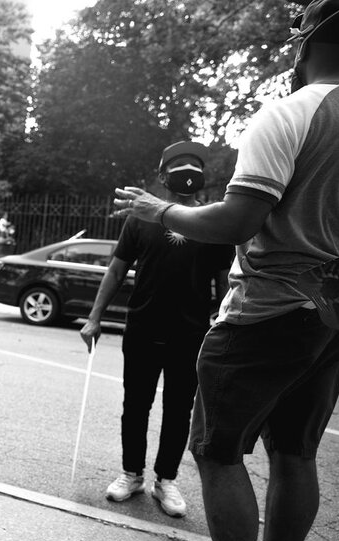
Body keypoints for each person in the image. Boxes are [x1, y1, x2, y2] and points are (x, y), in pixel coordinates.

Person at [112, 3, 339, 541]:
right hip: (330, 319)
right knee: (295, 453)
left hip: (267, 312)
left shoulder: (291, 113)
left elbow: (239, 219)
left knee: (216, 452)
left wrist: (165, 210)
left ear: (304, 45)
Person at [80, 141, 233, 519]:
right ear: (163, 176)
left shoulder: (212, 222)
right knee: (135, 406)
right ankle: (132, 473)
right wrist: (94, 317)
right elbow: (116, 270)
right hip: (143, 328)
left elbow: (223, 281)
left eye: (195, 166)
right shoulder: (140, 219)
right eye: (180, 166)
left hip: (191, 333)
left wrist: (224, 322)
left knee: (179, 410)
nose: (188, 173)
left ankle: (165, 480)